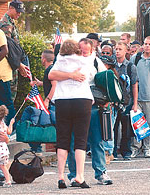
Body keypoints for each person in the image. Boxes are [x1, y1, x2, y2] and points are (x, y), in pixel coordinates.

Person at [66, 38, 113, 186]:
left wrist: (107, 100)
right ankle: (74, 175)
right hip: (74, 103)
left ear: (92, 50)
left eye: (86, 52)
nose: (83, 54)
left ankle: (101, 172)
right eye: (80, 51)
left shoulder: (96, 62)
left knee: (96, 139)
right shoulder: (69, 62)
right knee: (74, 141)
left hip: (92, 105)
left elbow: (107, 80)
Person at [49, 39, 94, 189]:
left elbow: (51, 75)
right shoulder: (85, 60)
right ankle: (80, 176)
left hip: (62, 100)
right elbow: (87, 77)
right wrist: (73, 75)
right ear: (78, 49)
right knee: (80, 140)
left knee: (62, 139)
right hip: (82, 100)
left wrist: (67, 75)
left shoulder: (59, 60)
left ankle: (61, 176)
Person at [113, 42, 139, 160]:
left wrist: (134, 103)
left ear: (126, 51)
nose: (117, 51)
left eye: (120, 49)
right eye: (116, 49)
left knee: (126, 128)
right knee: (113, 127)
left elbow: (134, 85)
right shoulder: (111, 65)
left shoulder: (130, 66)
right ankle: (112, 151)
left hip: (126, 101)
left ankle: (126, 151)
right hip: (113, 101)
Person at [28, 49, 57, 153]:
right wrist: (40, 83)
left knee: (39, 125)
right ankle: (36, 149)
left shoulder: (50, 70)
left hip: (53, 104)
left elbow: (54, 85)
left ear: (44, 59)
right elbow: (50, 83)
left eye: (41, 58)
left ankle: (37, 149)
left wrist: (47, 100)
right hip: (53, 104)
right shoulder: (51, 69)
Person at [0, 0, 27, 102]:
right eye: (17, 11)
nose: (19, 14)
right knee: (9, 97)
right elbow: (7, 48)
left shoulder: (10, 21)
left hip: (12, 64)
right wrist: (18, 64)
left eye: (20, 12)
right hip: (9, 65)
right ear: (10, 8)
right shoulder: (6, 24)